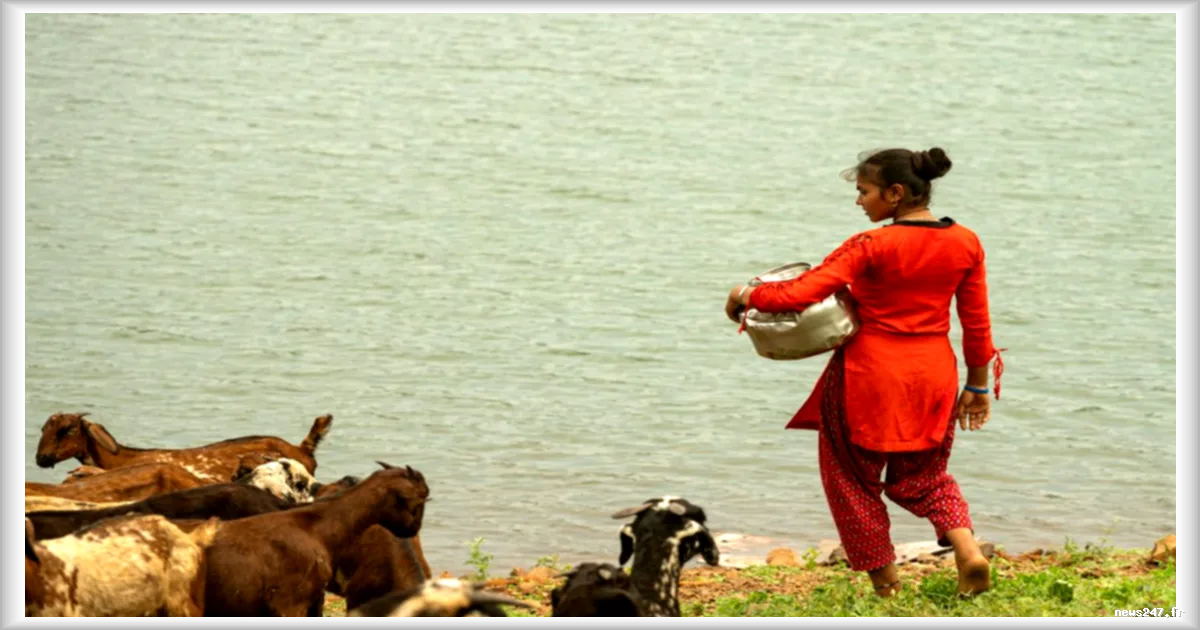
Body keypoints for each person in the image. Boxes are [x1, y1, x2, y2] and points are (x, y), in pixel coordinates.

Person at [723, 147, 1004, 598]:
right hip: (933, 373)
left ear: (894, 194)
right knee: (926, 477)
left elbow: (800, 293)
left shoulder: (872, 244)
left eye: (864, 192)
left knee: (852, 480)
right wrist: (976, 384)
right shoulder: (966, 242)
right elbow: (977, 324)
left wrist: (745, 294)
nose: (859, 202)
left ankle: (887, 588)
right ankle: (967, 549)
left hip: (868, 374)